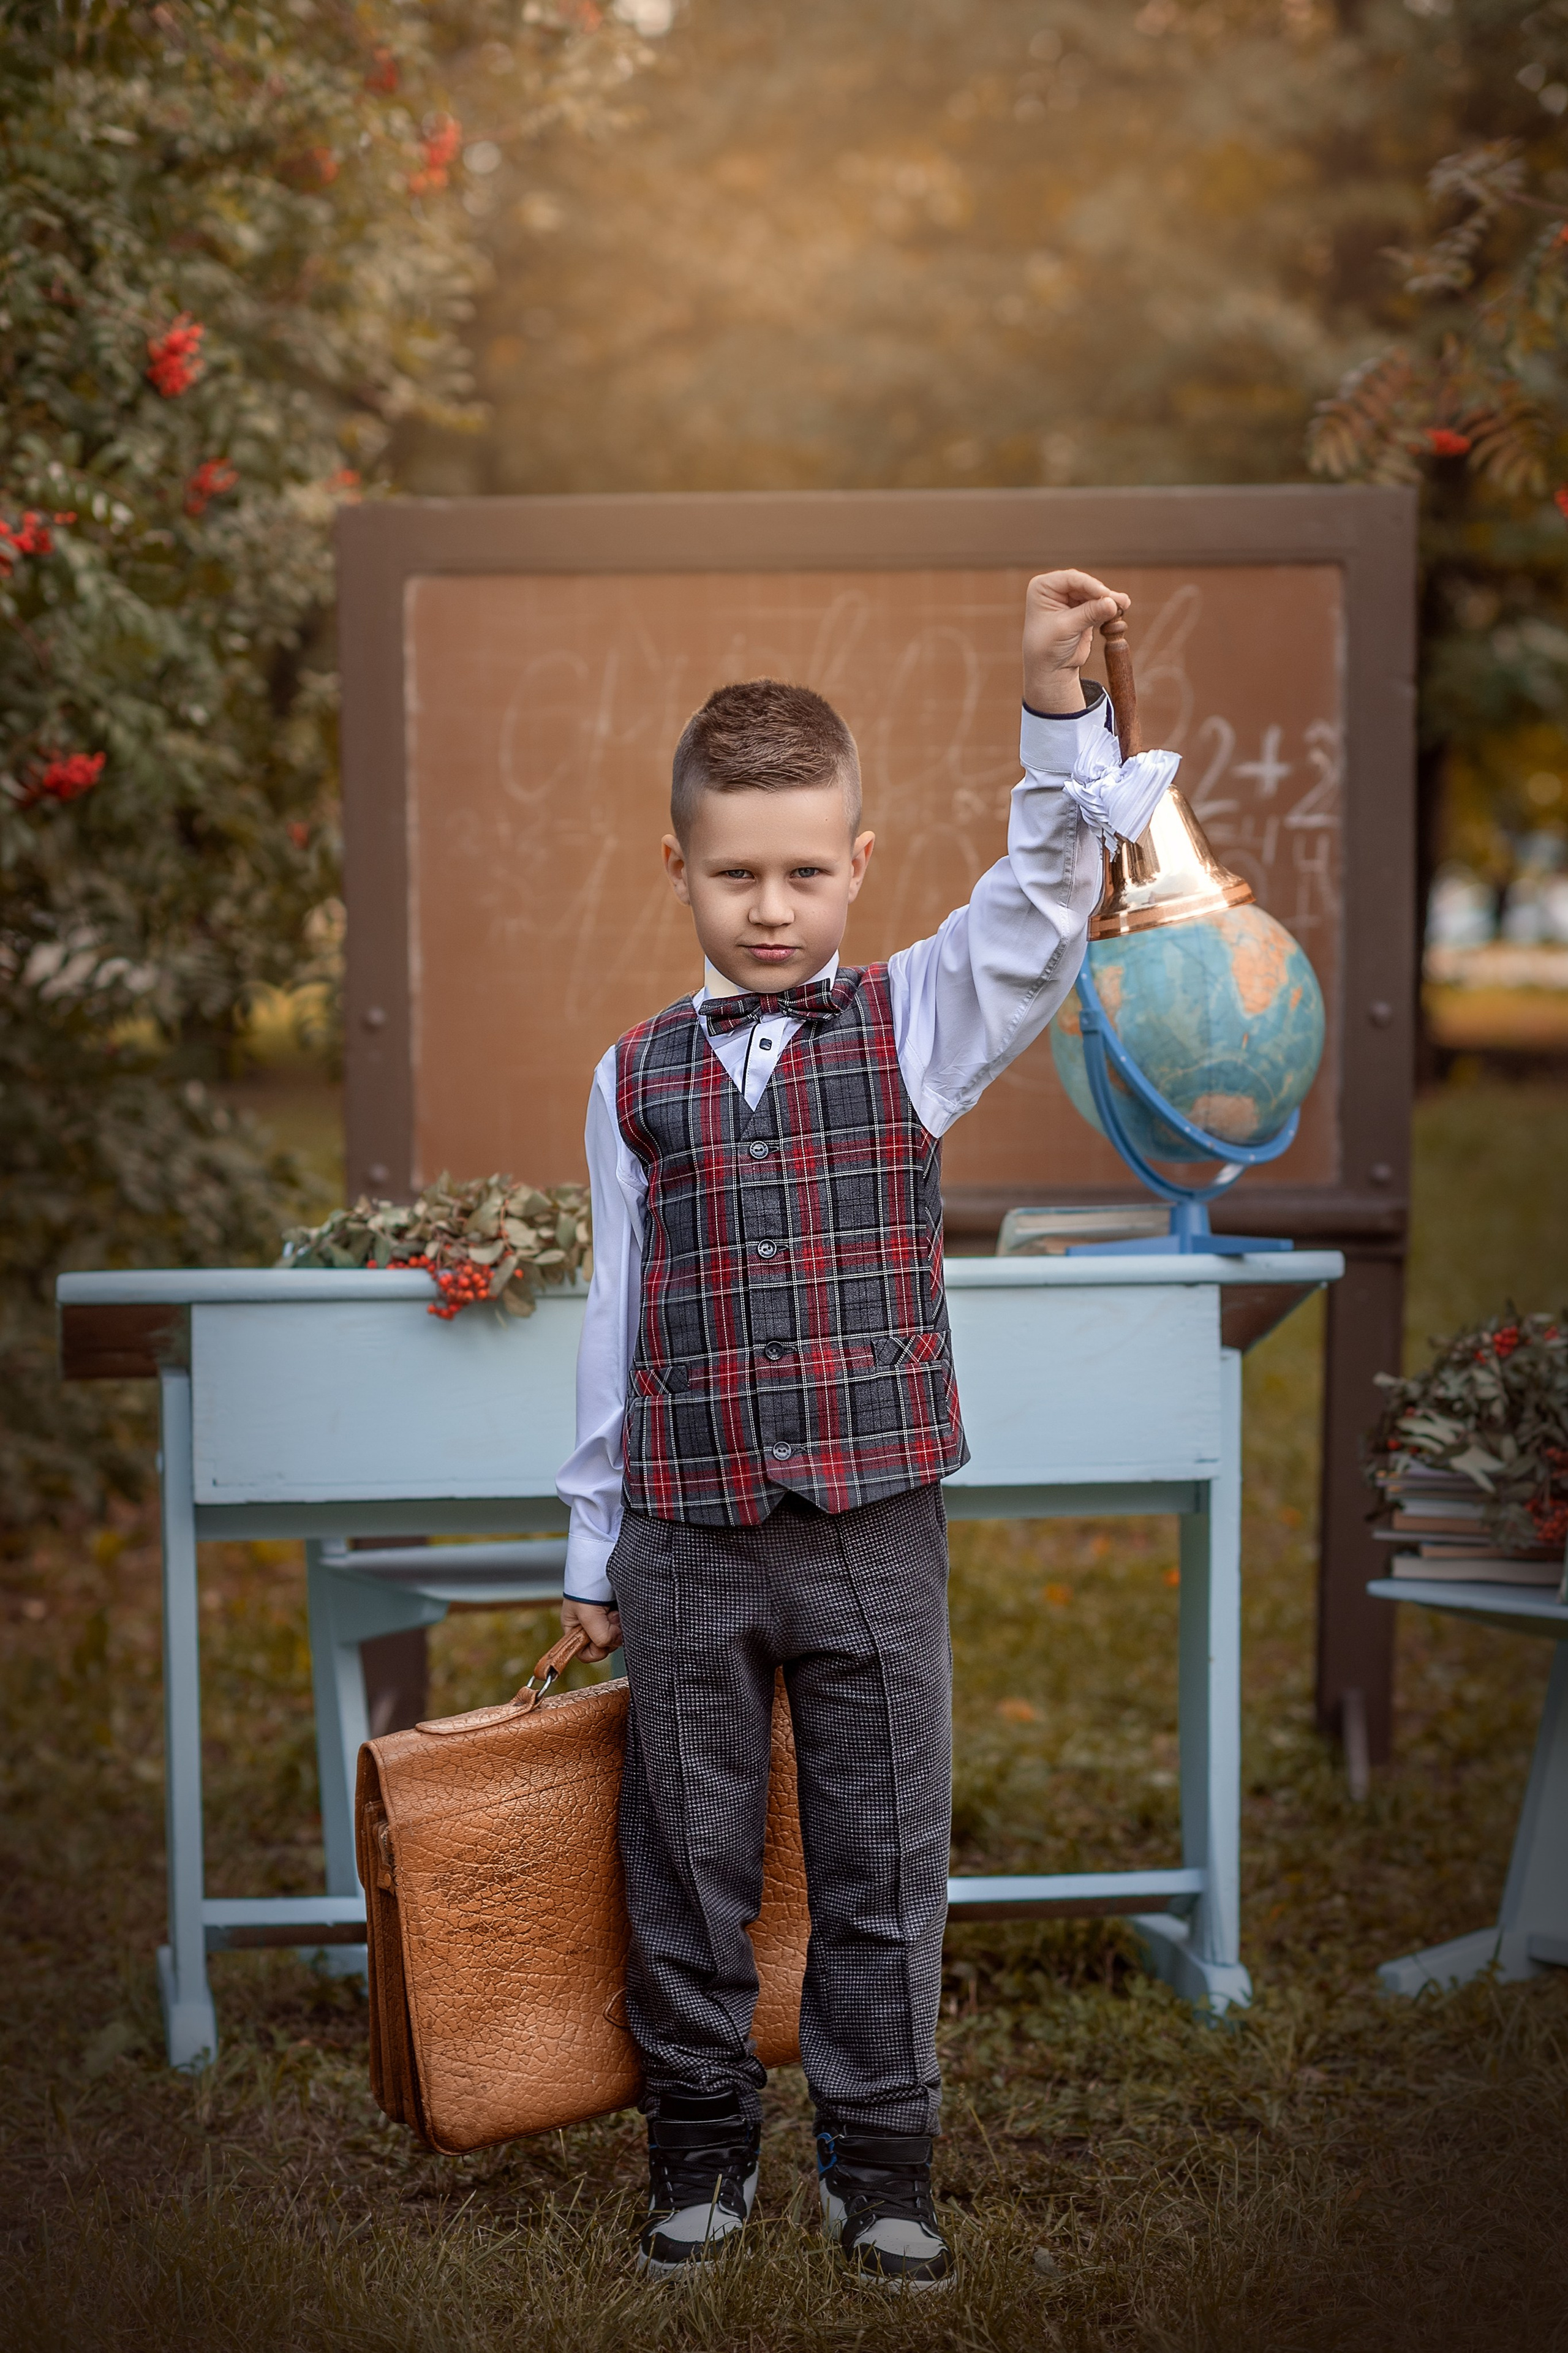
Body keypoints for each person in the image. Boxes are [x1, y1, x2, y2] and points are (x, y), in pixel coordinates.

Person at [556, 569, 1171, 2291]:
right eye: (738, 873)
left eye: (806, 872)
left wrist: (1058, 702)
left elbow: (1048, 898)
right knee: (684, 1851)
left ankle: (882, 2160)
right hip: (683, 1528)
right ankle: (696, 2149)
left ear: (859, 865)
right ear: (677, 864)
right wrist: (594, 1548)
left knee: (883, 1847)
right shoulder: (631, 1077)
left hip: (871, 1519)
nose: (773, 908)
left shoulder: (916, 1025)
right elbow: (614, 1314)